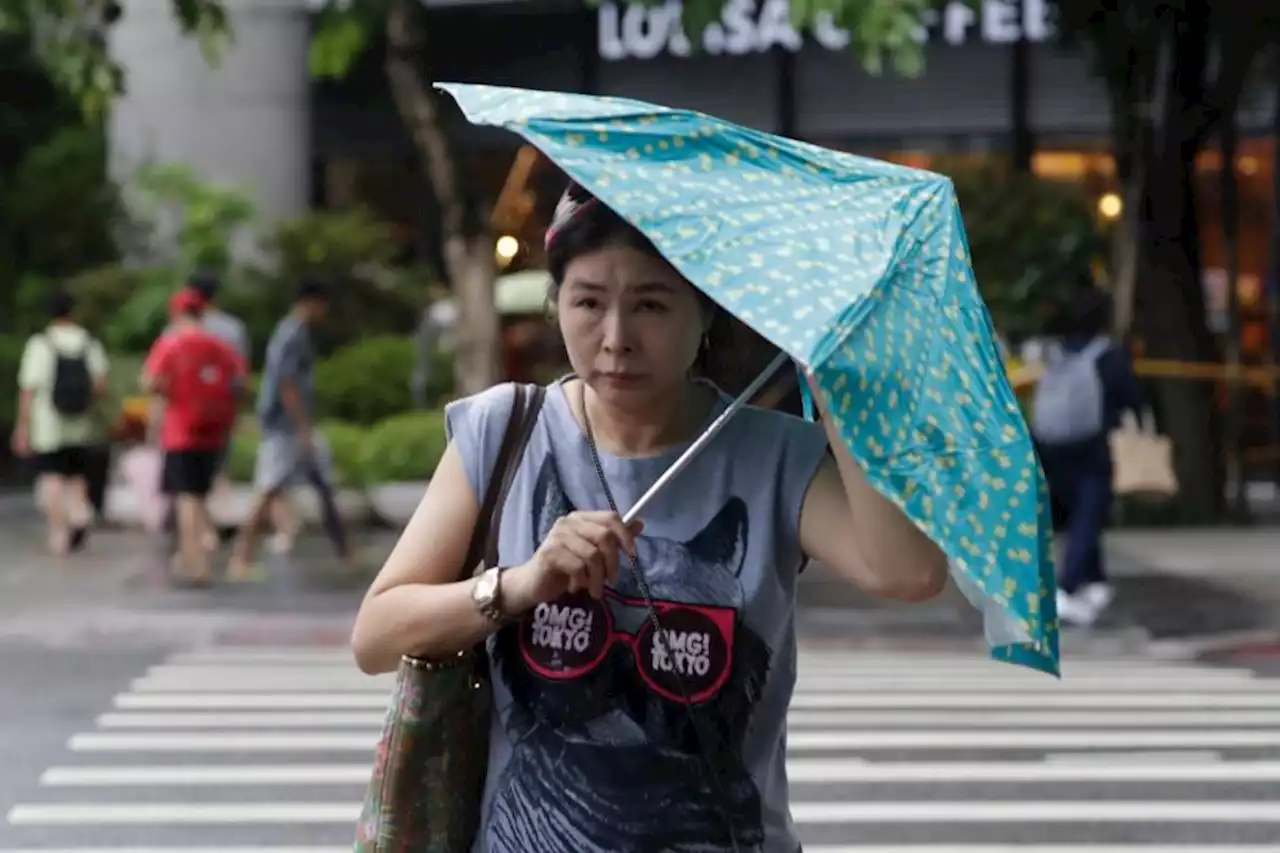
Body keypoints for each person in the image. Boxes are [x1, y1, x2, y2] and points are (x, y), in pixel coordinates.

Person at [350, 183, 948, 852]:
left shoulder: (776, 454)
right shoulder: (504, 430)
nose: (616, 339)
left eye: (651, 305)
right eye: (587, 302)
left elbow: (911, 572)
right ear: (557, 305)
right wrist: (519, 584)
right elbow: (375, 636)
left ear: (707, 313)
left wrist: (839, 385)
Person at [1030, 285, 1143, 626]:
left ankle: (1095, 581)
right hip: (1091, 446)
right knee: (1089, 514)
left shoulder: (1059, 354)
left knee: (1080, 511)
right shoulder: (1106, 355)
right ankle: (1067, 586)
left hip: (1051, 445)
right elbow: (1131, 395)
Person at [228, 278, 353, 580]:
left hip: (291, 426)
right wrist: (303, 428)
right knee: (268, 489)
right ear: (313, 302)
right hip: (286, 428)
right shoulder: (291, 335)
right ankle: (241, 558)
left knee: (322, 483)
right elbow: (288, 385)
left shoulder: (296, 333)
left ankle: (347, 551)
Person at [141, 287, 246, 586]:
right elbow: (238, 381)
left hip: (180, 432)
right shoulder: (219, 345)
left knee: (185, 498)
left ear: (176, 312)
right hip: (212, 432)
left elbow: (149, 382)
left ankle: (195, 562)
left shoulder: (170, 344)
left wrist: (170, 392)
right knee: (199, 493)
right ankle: (201, 548)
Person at [10, 290, 110, 556]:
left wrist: (22, 426)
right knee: (77, 475)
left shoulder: (40, 343)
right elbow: (100, 385)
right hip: (81, 422)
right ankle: (80, 514)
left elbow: (28, 389)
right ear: (73, 311)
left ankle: (59, 533)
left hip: (48, 425)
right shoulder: (88, 342)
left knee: (52, 476)